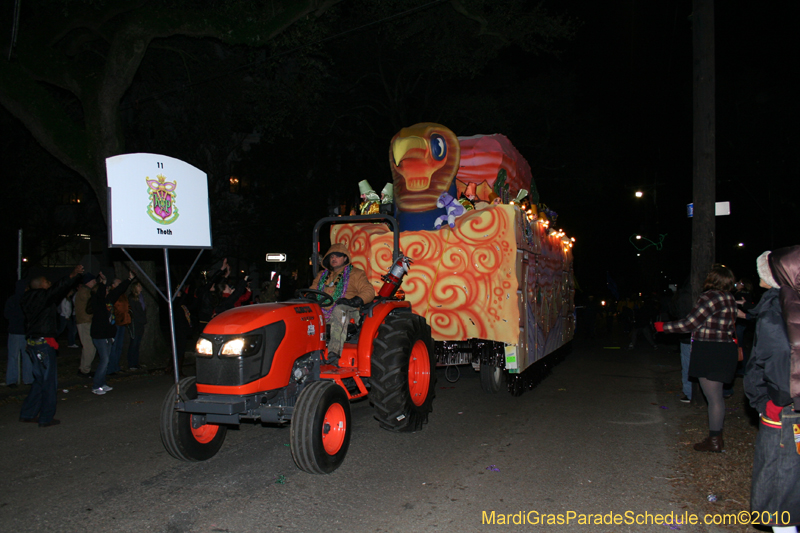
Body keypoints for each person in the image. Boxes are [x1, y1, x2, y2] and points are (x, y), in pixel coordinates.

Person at [744, 248, 800, 531]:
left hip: (785, 409)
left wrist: (773, 400)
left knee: (781, 491)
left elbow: (777, 356)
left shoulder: (776, 308)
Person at [655, 265, 738, 452]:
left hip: (710, 349)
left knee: (714, 397)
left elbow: (690, 323)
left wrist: (663, 327)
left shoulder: (710, 297)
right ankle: (716, 437)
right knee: (717, 397)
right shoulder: (729, 298)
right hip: (725, 348)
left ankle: (715, 440)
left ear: (712, 279)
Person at [19, 264, 84, 426]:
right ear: (41, 285)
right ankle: (46, 417)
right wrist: (72, 275)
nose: (49, 283)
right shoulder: (42, 296)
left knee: (40, 380)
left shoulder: (27, 298)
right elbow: (57, 288)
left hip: (33, 343)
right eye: (47, 281)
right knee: (49, 382)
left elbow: (56, 291)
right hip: (43, 344)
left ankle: (28, 413)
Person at [310, 243, 375, 366]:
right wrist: (311, 296)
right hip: (323, 311)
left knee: (339, 310)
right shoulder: (322, 275)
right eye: (332, 256)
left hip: (348, 310)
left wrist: (353, 301)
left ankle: (333, 354)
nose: (334, 259)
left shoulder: (356, 274)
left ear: (345, 258)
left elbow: (369, 291)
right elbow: (313, 289)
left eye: (338, 256)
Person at [90, 271, 134, 395]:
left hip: (108, 334)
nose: (108, 291)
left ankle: (102, 383)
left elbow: (118, 290)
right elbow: (99, 294)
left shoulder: (109, 300)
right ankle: (96, 386)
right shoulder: (97, 302)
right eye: (105, 290)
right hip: (100, 335)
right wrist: (103, 283)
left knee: (107, 359)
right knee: (104, 360)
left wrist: (129, 280)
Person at [4, 280, 32, 387]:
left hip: (15, 331)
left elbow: (7, 315)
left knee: (13, 357)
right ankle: (28, 379)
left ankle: (12, 380)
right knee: (26, 356)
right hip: (23, 332)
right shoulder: (26, 300)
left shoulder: (12, 300)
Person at [74, 274, 97, 378]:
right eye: (94, 281)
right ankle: (84, 370)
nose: (95, 283)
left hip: (86, 321)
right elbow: (92, 302)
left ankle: (85, 368)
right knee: (89, 347)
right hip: (85, 322)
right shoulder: (84, 292)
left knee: (90, 347)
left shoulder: (85, 291)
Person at [108, 280, 131, 374]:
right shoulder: (113, 294)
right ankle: (111, 368)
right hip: (116, 322)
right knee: (114, 346)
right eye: (118, 283)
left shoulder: (122, 294)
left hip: (123, 322)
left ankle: (116, 366)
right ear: (113, 285)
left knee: (119, 346)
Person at [127, 281, 147, 371]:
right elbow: (134, 312)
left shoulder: (140, 297)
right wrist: (140, 319)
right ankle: (131, 363)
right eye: (138, 286)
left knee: (138, 343)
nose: (140, 287)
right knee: (134, 342)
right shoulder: (132, 298)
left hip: (140, 323)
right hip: (135, 323)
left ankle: (136, 362)